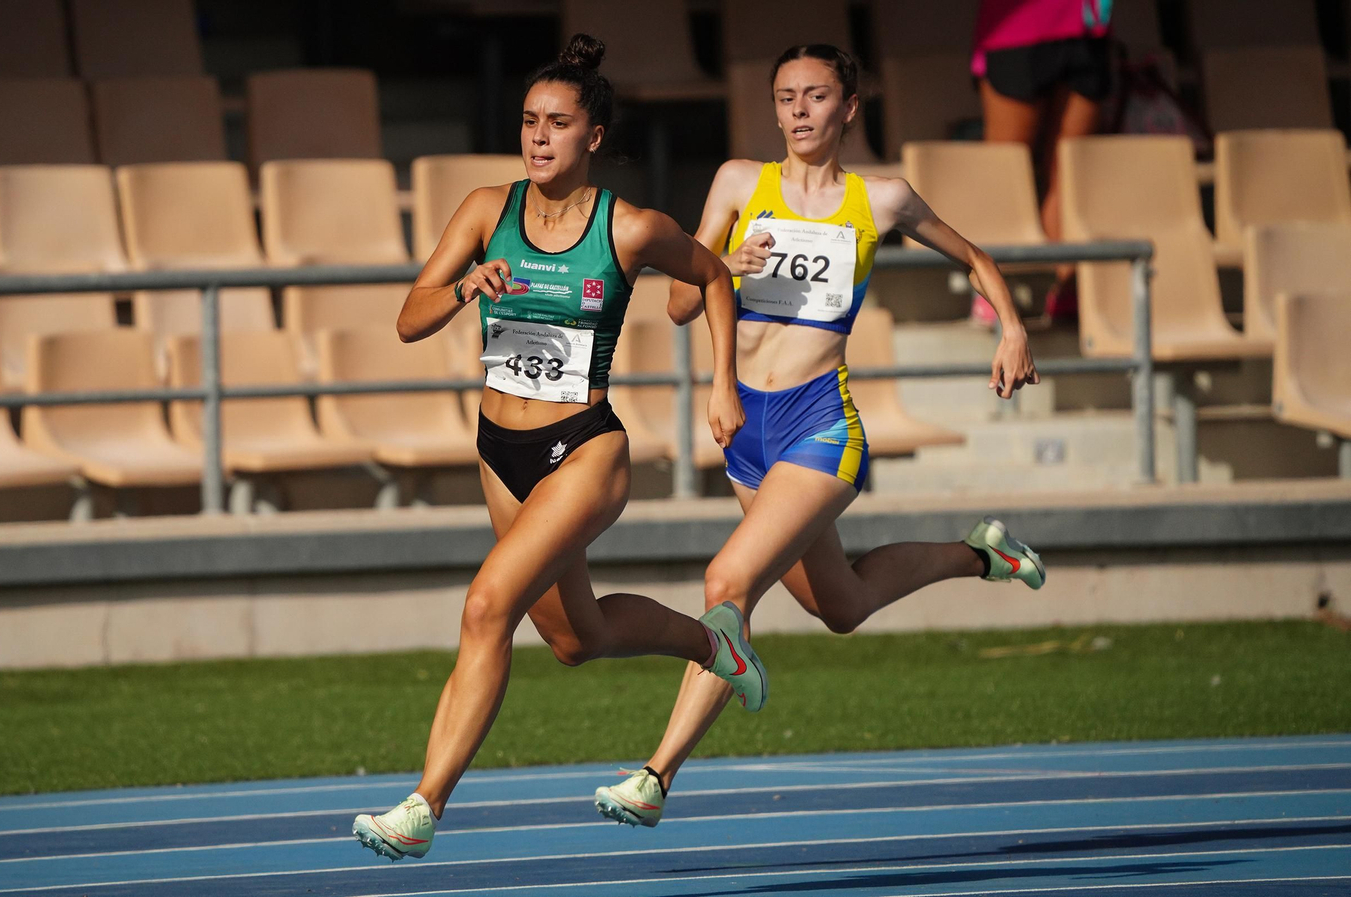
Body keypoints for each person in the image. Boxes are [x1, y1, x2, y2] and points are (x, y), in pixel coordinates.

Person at [591, 43, 1046, 828]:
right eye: (786, 97)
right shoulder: (741, 182)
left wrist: (1010, 326)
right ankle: (984, 554)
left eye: (816, 96)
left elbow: (975, 255)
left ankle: (656, 776)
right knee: (843, 603)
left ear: (849, 107)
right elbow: (677, 306)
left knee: (728, 585)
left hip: (818, 424)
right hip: (746, 434)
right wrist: (725, 265)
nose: (799, 110)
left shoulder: (884, 199)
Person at [351, 33, 767, 862]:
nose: (539, 137)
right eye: (530, 122)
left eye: (558, 123)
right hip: (497, 447)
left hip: (584, 449)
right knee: (578, 640)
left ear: (594, 137)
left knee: (485, 605)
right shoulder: (483, 210)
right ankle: (714, 643)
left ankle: (423, 804)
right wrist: (465, 285)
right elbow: (408, 317)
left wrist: (722, 382)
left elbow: (714, 276)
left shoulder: (631, 227)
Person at [971, 0, 1114, 324]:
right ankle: (991, 290)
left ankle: (1066, 288)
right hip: (1018, 28)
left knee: (1070, 172)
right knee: (1006, 169)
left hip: (1087, 25)